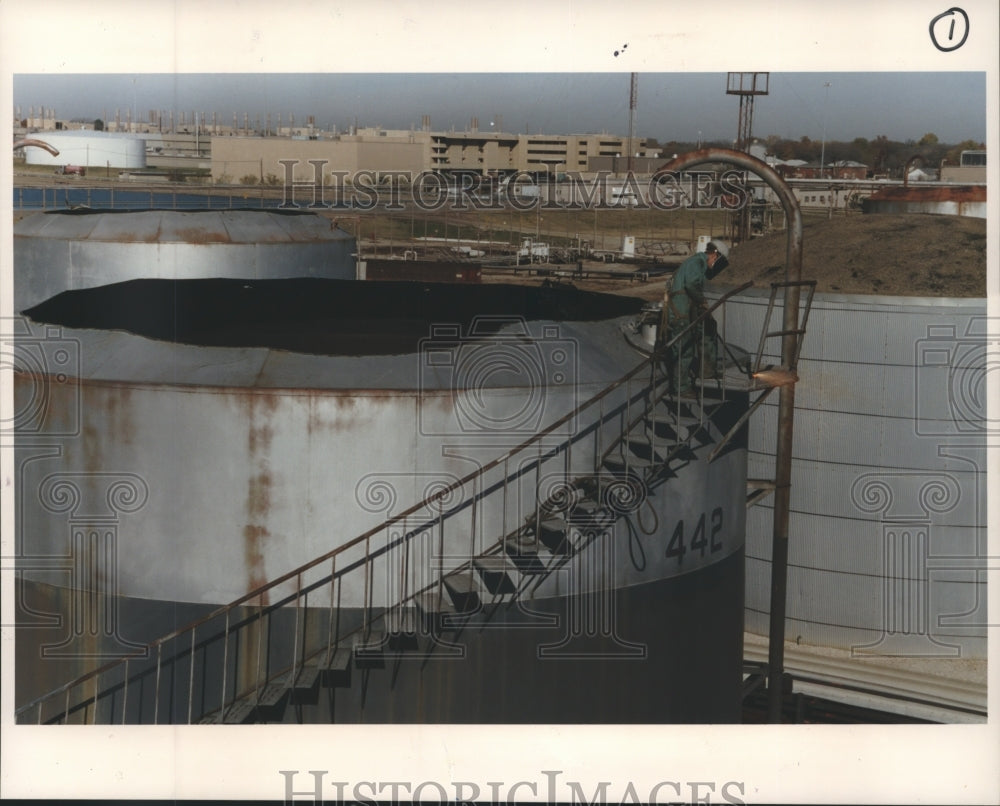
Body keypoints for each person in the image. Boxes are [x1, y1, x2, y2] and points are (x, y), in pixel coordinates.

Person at [661, 242, 729, 394]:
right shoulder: (696, 262)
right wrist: (702, 301)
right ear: (715, 255)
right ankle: (681, 387)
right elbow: (691, 285)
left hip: (689, 309)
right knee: (684, 347)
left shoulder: (699, 265)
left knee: (708, 330)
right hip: (681, 312)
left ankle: (707, 371)